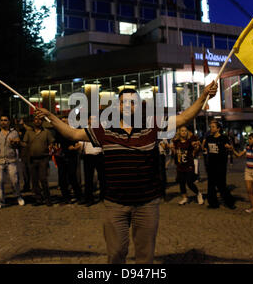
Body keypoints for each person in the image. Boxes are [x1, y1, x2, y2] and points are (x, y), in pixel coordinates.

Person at [35, 81, 218, 264]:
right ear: (117, 106)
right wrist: (51, 116)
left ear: (139, 106)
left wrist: (203, 96)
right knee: (115, 254)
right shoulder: (104, 130)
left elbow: (183, 118)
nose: (128, 106)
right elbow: (73, 134)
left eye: (133, 102)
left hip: (147, 204)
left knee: (145, 257)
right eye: (124, 102)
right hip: (115, 204)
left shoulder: (152, 125)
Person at [0, 115, 25, 210]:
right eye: (1, 120)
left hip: (11, 160)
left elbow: (18, 146)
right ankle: (0, 201)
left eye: (5, 120)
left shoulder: (14, 133)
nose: (3, 122)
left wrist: (16, 142)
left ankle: (18, 196)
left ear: (9, 122)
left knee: (15, 181)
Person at [21, 115, 54, 206]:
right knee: (34, 181)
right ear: (33, 121)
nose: (37, 121)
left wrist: (51, 146)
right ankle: (38, 199)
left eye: (39, 119)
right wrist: (19, 143)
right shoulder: (28, 132)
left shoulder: (46, 132)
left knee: (43, 179)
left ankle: (48, 198)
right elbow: (24, 143)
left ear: (42, 121)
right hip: (32, 159)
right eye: (36, 119)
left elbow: (51, 142)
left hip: (43, 158)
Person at [203, 121, 236, 210]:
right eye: (210, 127)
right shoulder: (209, 138)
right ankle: (213, 203)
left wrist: (229, 147)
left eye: (213, 127)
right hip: (211, 165)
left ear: (218, 128)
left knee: (221, 185)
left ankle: (230, 202)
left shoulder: (223, 138)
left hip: (220, 165)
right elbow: (205, 148)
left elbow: (230, 147)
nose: (211, 128)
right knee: (211, 185)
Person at [52, 116, 85, 205]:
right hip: (61, 157)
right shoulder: (58, 131)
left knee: (72, 177)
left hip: (71, 156)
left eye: (66, 121)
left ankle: (79, 196)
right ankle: (65, 197)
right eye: (62, 121)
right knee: (62, 178)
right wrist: (54, 146)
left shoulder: (72, 131)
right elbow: (55, 142)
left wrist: (74, 148)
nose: (64, 123)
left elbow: (79, 143)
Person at [171, 126, 204, 205]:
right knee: (181, 183)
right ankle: (185, 198)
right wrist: (170, 148)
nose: (184, 132)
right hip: (180, 166)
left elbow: (196, 149)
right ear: (179, 132)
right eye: (182, 131)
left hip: (189, 165)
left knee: (189, 182)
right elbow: (174, 152)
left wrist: (196, 146)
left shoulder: (190, 141)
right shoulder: (176, 142)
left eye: (185, 131)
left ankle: (198, 194)